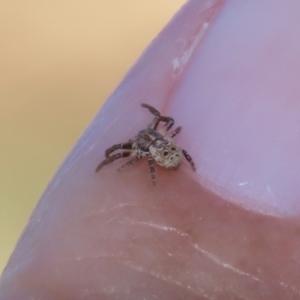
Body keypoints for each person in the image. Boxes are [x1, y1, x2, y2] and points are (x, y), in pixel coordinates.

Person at [1, 0, 299, 298]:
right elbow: (162, 138)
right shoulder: (156, 140)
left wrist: (141, 165)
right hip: (168, 157)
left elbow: (147, 149)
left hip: (167, 159)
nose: (145, 137)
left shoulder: (147, 148)